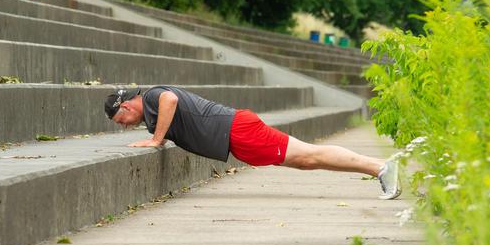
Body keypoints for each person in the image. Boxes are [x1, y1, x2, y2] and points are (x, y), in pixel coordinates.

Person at [104, 86, 401, 199]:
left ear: (127, 106)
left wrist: (156, 140)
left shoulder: (155, 96)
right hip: (235, 133)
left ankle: (379, 167)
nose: (125, 126)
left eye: (121, 121)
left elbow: (172, 99)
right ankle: (378, 168)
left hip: (236, 130)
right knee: (306, 160)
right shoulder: (153, 112)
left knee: (308, 156)